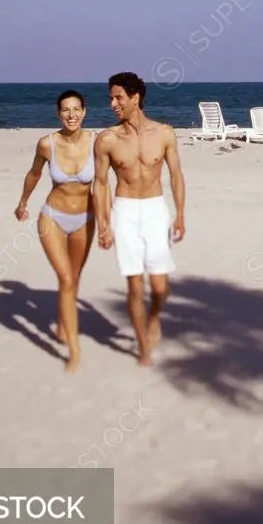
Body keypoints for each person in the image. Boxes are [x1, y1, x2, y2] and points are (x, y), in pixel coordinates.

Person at [94, 72, 185, 366]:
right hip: (125, 211)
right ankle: (143, 347)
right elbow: (100, 183)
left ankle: (154, 318)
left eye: (118, 97)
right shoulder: (106, 139)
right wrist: (104, 223)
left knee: (159, 287)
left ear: (135, 98)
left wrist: (180, 214)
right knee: (135, 285)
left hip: (156, 210)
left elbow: (176, 175)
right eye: (110, 98)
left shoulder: (164, 133)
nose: (113, 104)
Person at [14, 90, 96, 372]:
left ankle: (64, 321)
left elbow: (113, 178)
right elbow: (34, 174)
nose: (71, 115)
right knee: (65, 278)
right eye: (65, 110)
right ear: (58, 114)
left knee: (73, 278)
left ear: (84, 111)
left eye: (76, 109)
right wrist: (22, 202)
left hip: (86, 218)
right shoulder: (47, 144)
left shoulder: (98, 142)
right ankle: (74, 349)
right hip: (53, 217)